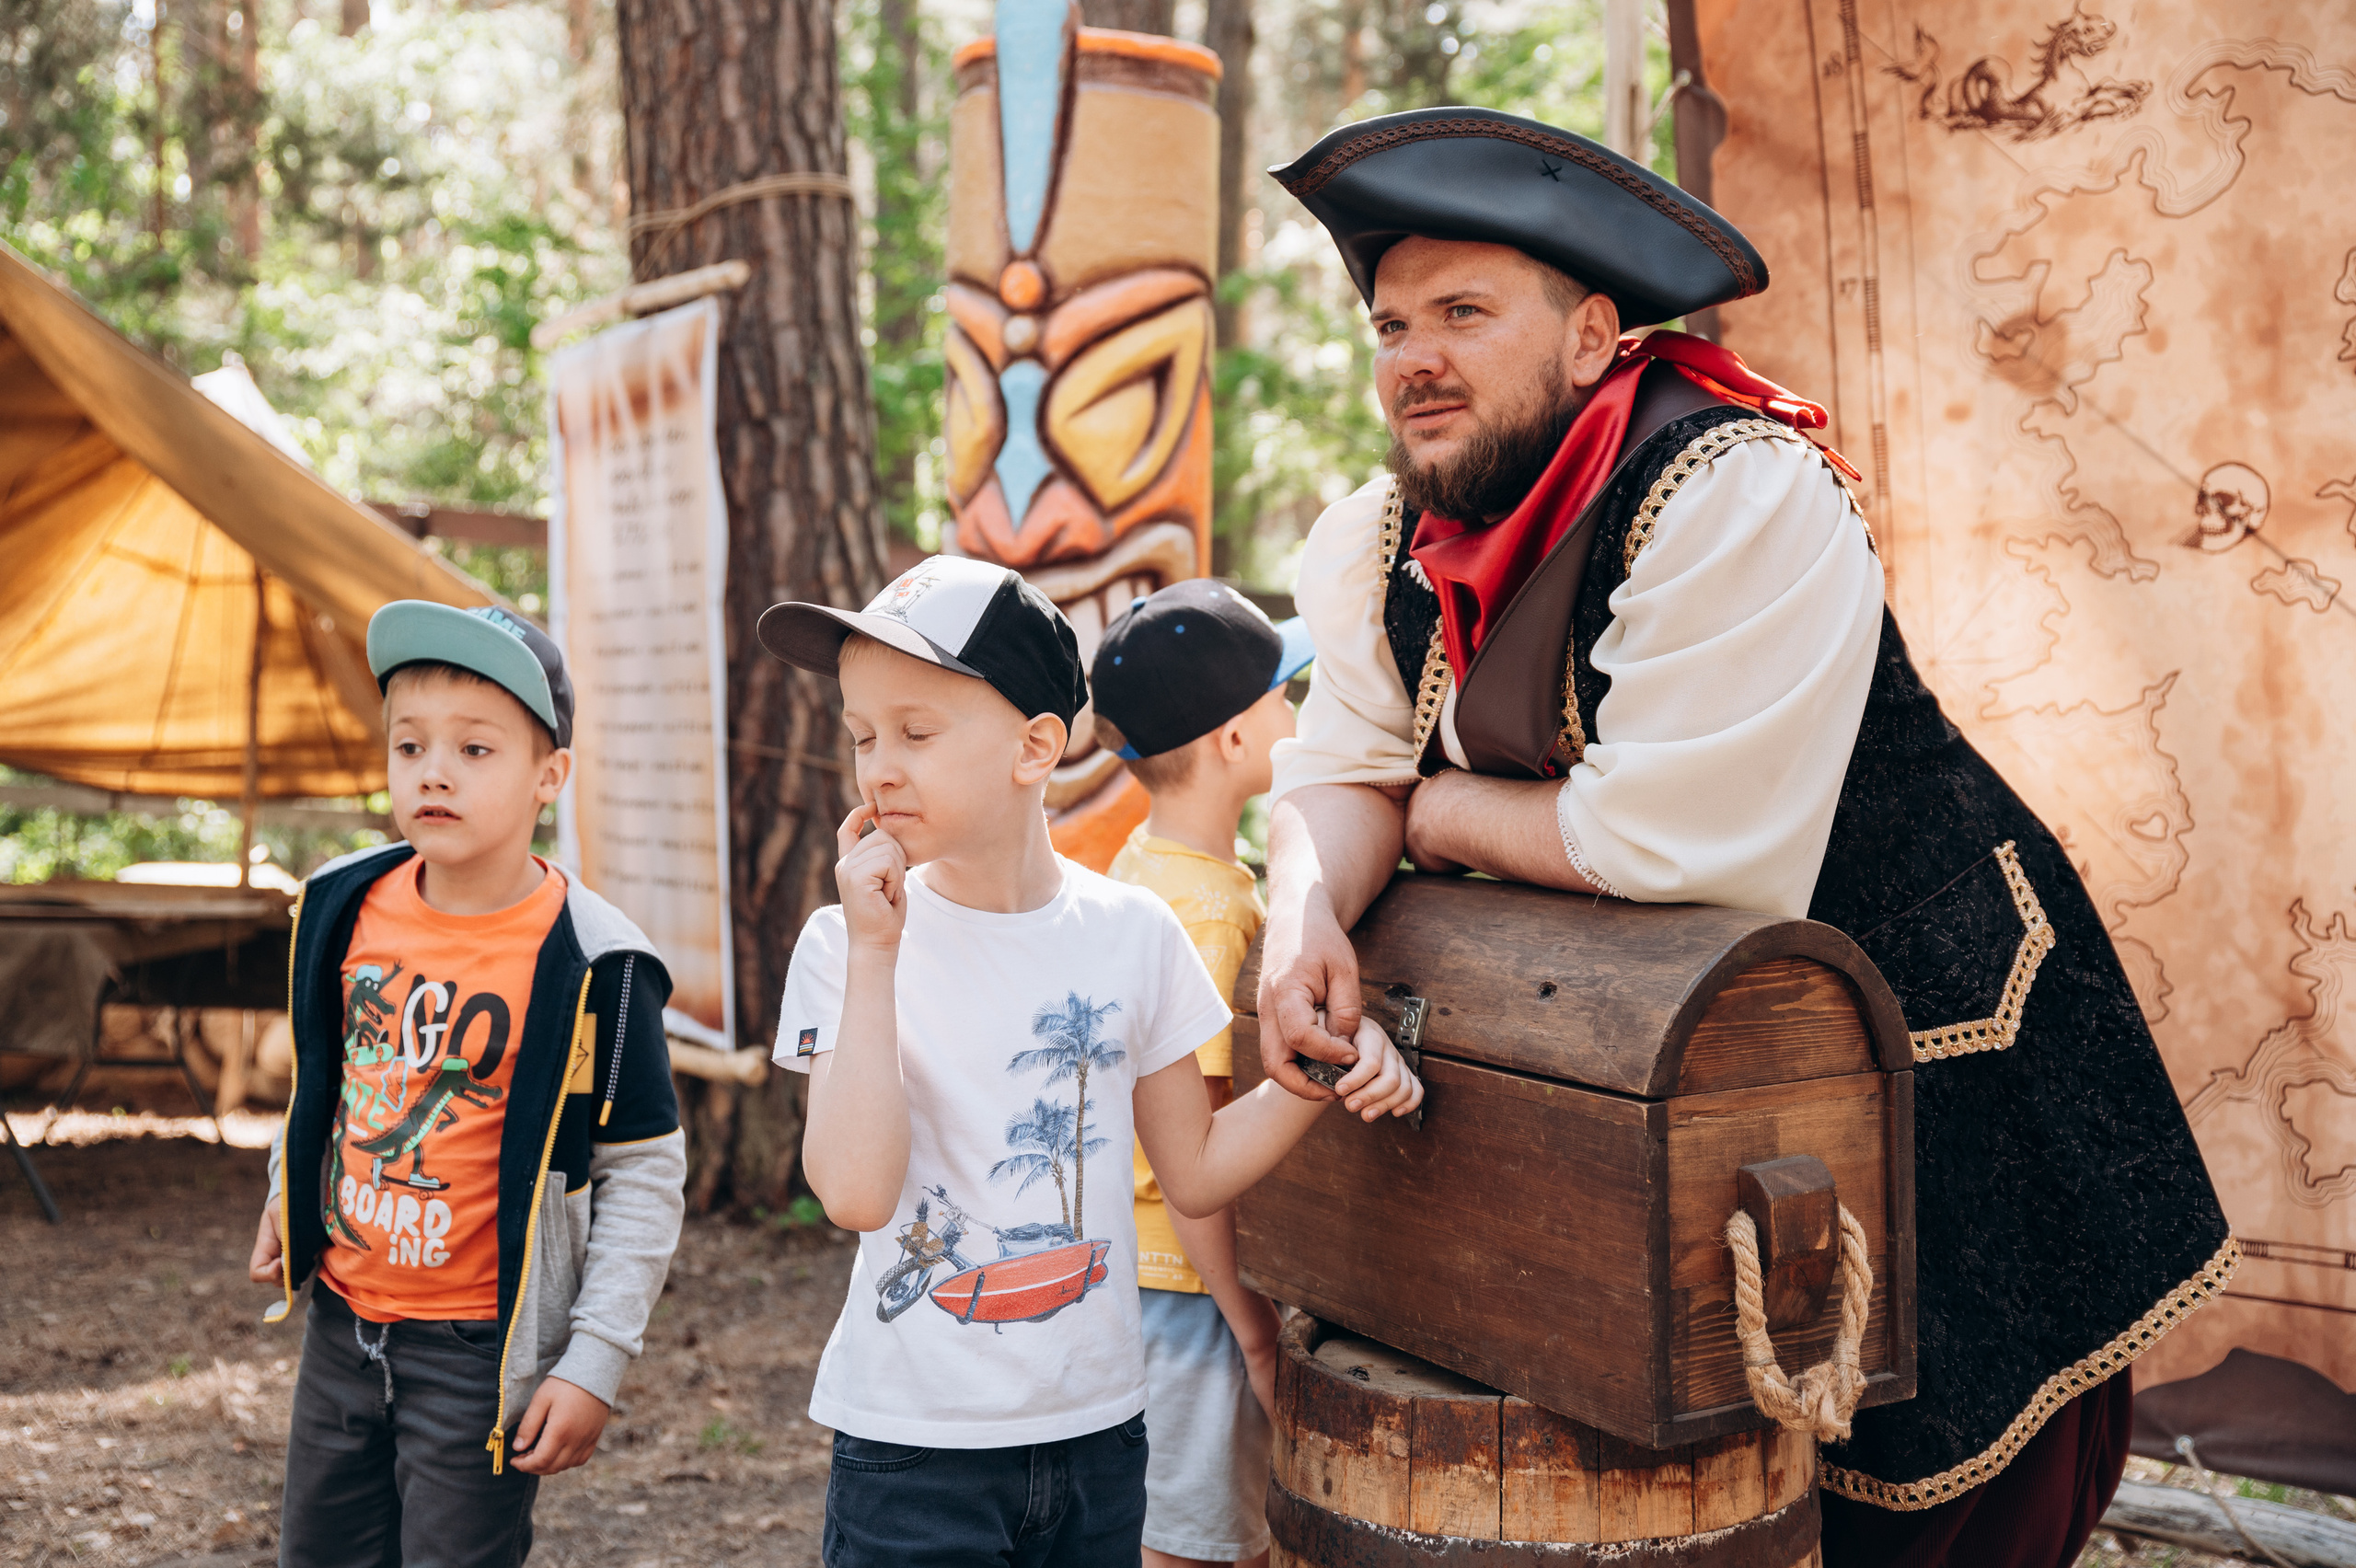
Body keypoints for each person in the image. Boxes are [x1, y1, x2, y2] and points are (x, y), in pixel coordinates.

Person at [1253, 107, 2235, 1568]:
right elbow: (1336, 769)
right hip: (1699, 1072)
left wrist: (1435, 806)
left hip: (1942, 1040)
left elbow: (1669, 848)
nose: (1414, 359)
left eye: (1465, 312)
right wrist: (1302, 918)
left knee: (1935, 1497)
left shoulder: (1735, 490)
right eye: (1394, 323)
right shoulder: (1377, 538)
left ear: (1594, 337)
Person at [757, 556, 1421, 1567]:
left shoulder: (1135, 931)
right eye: (861, 736)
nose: (878, 767)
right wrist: (876, 953)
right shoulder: (842, 944)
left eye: (916, 732)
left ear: (1035, 747)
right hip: (913, 1450)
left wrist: (1323, 1075)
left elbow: (1192, 1167)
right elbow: (853, 1192)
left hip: (1100, 1437)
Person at [248, 602, 686, 1568]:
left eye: (475, 750)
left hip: (481, 1353)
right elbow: (326, 1079)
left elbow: (644, 1174)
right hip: (342, 1329)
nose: (433, 771)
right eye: (410, 746)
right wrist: (290, 1194)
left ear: (548, 777)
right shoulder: (343, 905)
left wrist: (595, 1361)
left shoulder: (596, 963)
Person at [1089, 581, 1318, 1568]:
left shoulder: (1143, 869)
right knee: (1196, 1545)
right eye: (1283, 696)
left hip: (1131, 1272)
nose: (1296, 717)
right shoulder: (1207, 917)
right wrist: (1251, 1327)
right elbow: (1192, 1151)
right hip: (1186, 1282)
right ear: (1232, 742)